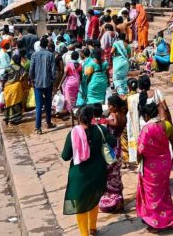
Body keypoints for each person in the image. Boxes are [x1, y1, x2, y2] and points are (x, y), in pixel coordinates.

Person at [61, 105, 115, 236]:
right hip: (98, 172)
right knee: (93, 198)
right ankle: (93, 228)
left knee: (80, 205)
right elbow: (113, 142)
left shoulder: (73, 133)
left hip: (80, 174)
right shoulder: (100, 129)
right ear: (92, 118)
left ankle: (84, 234)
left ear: (79, 117)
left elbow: (65, 156)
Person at [135, 102, 173, 232]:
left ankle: (156, 223)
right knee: (164, 192)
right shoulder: (167, 125)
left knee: (153, 195)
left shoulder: (147, 129)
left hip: (151, 167)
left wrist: (139, 162)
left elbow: (140, 150)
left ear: (147, 115)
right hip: (165, 163)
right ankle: (169, 218)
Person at [99, 96, 128, 213]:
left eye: (109, 105)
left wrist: (104, 120)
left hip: (111, 148)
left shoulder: (114, 116)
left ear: (114, 107)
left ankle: (114, 201)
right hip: (118, 146)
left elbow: (113, 124)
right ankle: (119, 198)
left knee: (111, 175)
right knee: (116, 174)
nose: (108, 107)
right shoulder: (123, 115)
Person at [29, 38, 58, 134]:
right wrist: (53, 80)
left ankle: (38, 128)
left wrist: (32, 79)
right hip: (48, 83)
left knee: (39, 106)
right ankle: (48, 122)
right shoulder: (50, 55)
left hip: (37, 83)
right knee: (48, 104)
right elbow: (53, 71)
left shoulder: (34, 55)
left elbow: (31, 70)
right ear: (46, 45)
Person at [2, 56, 29, 125]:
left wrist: (2, 87)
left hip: (7, 87)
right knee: (16, 104)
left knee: (8, 103)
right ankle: (14, 119)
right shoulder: (20, 68)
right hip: (16, 87)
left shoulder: (8, 67)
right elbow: (25, 76)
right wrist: (26, 85)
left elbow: (3, 78)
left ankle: (7, 117)